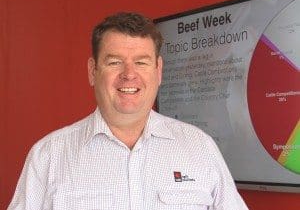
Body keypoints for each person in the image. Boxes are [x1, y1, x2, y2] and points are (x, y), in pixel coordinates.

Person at [8, 12, 248, 210]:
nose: (129, 74)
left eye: (141, 62)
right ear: (93, 71)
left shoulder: (199, 147)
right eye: (114, 62)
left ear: (159, 71)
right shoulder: (49, 155)